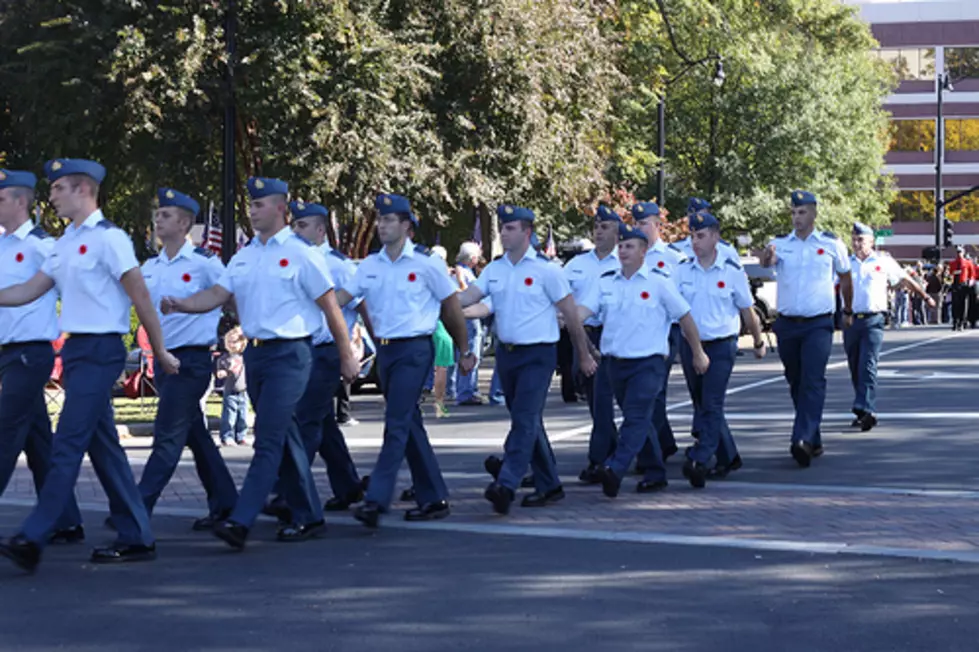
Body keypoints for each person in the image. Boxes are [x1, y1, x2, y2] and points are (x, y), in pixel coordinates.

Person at [0, 158, 179, 572]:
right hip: (77, 352)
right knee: (104, 447)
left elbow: (141, 299)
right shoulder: (64, 244)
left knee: (67, 443)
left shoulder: (110, 239)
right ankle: (137, 535)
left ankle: (33, 535)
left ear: (83, 190)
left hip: (101, 351)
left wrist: (161, 349)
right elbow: (30, 289)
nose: (52, 195)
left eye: (59, 188)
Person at [162, 177, 358, 549]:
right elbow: (219, 294)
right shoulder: (245, 255)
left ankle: (241, 518)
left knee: (268, 436)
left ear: (281, 209)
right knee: (285, 435)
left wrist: (347, 353)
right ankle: (310, 515)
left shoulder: (302, 253)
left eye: (260, 204)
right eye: (251, 204)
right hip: (257, 353)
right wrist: (182, 303)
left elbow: (330, 305)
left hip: (292, 354)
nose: (252, 210)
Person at [335, 193, 473, 528]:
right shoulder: (368, 265)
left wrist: (464, 349)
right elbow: (341, 298)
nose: (381, 226)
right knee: (408, 423)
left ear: (406, 226)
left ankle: (376, 499)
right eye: (380, 220)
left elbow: (451, 308)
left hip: (415, 349)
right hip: (386, 351)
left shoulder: (426, 264)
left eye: (388, 220)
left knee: (396, 422)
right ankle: (434, 496)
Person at [458, 204, 597, 515]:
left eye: (510, 228)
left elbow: (572, 315)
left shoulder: (547, 270)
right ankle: (550, 484)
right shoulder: (495, 270)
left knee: (524, 418)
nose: (504, 233)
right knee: (528, 420)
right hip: (508, 356)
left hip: (538, 355)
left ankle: (506, 483)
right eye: (502, 228)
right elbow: (472, 299)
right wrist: (443, 300)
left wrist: (584, 354)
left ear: (527, 232)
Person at [135, 188, 239, 530]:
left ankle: (135, 510)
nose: (157, 220)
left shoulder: (204, 264)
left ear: (183, 223)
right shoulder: (149, 267)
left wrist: (238, 336)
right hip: (164, 361)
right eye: (157, 214)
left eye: (165, 215)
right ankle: (226, 503)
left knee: (166, 437)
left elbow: (229, 298)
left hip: (190, 363)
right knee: (197, 437)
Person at [577, 223, 707, 495]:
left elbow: (685, 317)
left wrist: (697, 351)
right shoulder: (606, 282)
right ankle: (655, 471)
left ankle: (616, 467)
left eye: (630, 246)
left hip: (648, 363)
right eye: (621, 245)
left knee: (635, 417)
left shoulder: (659, 282)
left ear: (643, 251)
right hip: (614, 363)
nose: (623, 251)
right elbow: (583, 311)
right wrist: (564, 318)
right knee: (640, 419)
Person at [0, 168, 83, 545]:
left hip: (30, 353)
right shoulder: (2, 246)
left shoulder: (42, 246)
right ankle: (66, 520)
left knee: (5, 433)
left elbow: (75, 288)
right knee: (37, 440)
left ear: (21, 202)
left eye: (1, 198)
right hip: (9, 351)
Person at [284, 200, 368, 513]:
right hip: (304, 350)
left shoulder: (337, 264)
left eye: (303, 225)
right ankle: (348, 486)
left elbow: (362, 306)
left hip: (328, 351)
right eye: (294, 225)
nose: (296, 230)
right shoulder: (295, 259)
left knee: (305, 421)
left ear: (321, 230)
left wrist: (368, 350)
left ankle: (288, 492)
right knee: (323, 423)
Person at [759, 190, 852, 468]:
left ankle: (801, 439)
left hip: (818, 323)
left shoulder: (831, 244)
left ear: (813, 213)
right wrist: (766, 257)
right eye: (794, 212)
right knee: (796, 380)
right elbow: (766, 264)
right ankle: (814, 436)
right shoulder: (779, 244)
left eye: (802, 212)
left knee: (813, 379)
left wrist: (847, 310)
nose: (797, 217)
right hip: (787, 323)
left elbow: (846, 278)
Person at [674, 212, 766, 487]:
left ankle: (700, 459)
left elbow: (747, 311)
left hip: (721, 346)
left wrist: (758, 341)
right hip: (691, 344)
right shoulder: (681, 271)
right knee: (702, 404)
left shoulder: (731, 272)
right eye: (692, 235)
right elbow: (673, 309)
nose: (695, 241)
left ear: (715, 237)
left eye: (701, 235)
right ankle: (728, 456)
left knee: (712, 403)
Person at [846, 222, 934, 431]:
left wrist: (925, 295)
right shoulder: (846, 263)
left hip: (874, 319)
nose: (857, 244)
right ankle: (861, 408)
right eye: (854, 239)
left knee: (868, 363)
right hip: (850, 320)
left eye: (861, 240)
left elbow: (904, 279)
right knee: (855, 365)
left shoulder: (883, 261)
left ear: (871, 242)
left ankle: (867, 409)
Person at [562, 204, 620, 484]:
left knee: (609, 398)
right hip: (583, 333)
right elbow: (561, 299)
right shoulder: (576, 264)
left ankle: (601, 459)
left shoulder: (625, 261)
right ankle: (615, 450)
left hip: (615, 334)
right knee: (595, 397)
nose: (598, 231)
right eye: (596, 226)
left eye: (605, 226)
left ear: (618, 232)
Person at [632, 201, 687, 466]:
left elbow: (683, 300)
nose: (638, 227)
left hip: (667, 330)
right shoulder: (630, 254)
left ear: (657, 226)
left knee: (653, 392)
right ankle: (662, 443)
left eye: (643, 223)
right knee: (647, 393)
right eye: (636, 223)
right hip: (638, 329)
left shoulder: (674, 259)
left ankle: (652, 452)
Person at [452, 241, 484, 406]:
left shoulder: (460, 271)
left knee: (466, 352)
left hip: (464, 316)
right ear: (472, 257)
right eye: (477, 256)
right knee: (471, 352)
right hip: (469, 317)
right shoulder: (463, 273)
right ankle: (466, 391)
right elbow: (467, 293)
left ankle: (466, 389)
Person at [216, 327, 249, 446]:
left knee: (243, 415)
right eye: (229, 342)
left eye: (235, 342)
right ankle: (227, 435)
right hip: (231, 390)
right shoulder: (225, 358)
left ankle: (241, 435)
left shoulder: (245, 357)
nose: (232, 345)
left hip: (244, 390)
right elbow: (221, 371)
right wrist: (223, 372)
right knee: (229, 415)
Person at [947, 247, 972, 331]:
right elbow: (949, 275)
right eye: (958, 252)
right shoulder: (953, 263)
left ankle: (962, 322)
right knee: (955, 305)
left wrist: (970, 282)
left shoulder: (968, 263)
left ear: (963, 253)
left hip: (963, 285)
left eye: (960, 252)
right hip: (955, 284)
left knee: (963, 305)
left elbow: (972, 274)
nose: (959, 254)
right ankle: (955, 322)